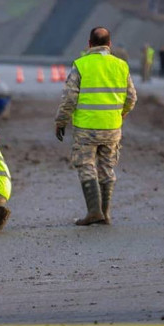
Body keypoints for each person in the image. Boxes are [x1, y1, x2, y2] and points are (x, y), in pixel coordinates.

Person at [55, 27, 137, 226]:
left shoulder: (81, 64)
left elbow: (69, 98)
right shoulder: (121, 65)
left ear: (89, 44)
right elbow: (131, 97)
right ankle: (105, 214)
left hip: (86, 128)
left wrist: (61, 120)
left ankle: (94, 212)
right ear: (109, 44)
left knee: (86, 165)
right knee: (107, 167)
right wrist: (121, 113)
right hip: (112, 127)